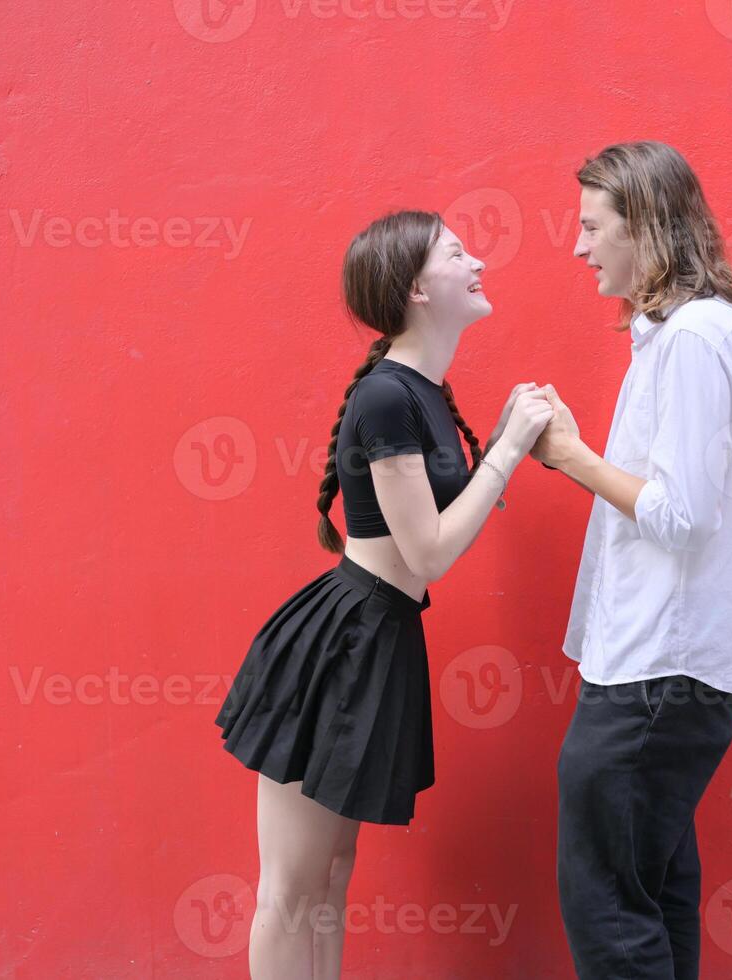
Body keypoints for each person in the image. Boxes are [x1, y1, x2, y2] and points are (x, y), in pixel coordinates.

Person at [215, 209, 552, 979]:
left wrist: (499, 439)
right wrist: (506, 451)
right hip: (340, 645)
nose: (479, 264)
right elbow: (428, 552)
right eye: (458, 253)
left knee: (332, 877)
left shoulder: (424, 390)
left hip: (380, 636)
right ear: (415, 289)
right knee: (292, 891)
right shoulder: (388, 397)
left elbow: (441, 519)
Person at [531, 141, 732, 979]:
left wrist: (569, 454)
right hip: (654, 672)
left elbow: (681, 515)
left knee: (605, 900)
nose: (579, 245)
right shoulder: (680, 336)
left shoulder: (696, 339)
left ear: (649, 228)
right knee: (652, 889)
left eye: (593, 226)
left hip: (655, 676)